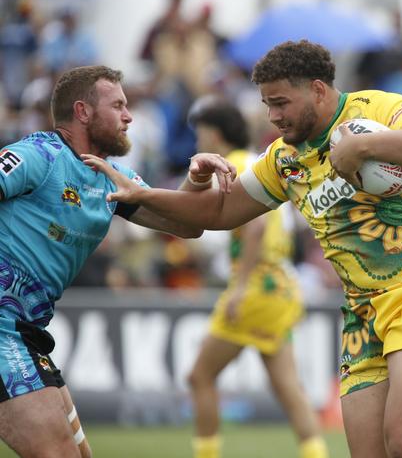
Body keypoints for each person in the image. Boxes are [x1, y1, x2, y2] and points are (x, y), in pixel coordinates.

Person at [83, 39, 402, 458]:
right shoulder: (282, 160)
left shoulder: (377, 108)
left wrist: (363, 146)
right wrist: (157, 191)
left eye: (281, 103)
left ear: (317, 90)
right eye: (266, 104)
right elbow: (214, 215)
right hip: (363, 316)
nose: (272, 116)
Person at [0, 65, 231, 458]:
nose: (129, 116)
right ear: (83, 112)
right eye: (119, 105)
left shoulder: (113, 179)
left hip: (27, 331)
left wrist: (195, 178)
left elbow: (188, 226)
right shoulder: (38, 155)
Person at [185, 96, 328, 458]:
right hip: (281, 286)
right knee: (287, 387)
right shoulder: (262, 163)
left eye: (202, 133)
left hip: (256, 287)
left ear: (215, 135)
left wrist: (241, 286)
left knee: (200, 377)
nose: (199, 141)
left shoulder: (229, 166)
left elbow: (256, 228)